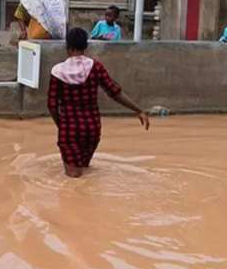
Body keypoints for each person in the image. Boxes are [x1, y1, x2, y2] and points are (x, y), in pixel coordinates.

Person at [48, 27, 150, 178]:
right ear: (86, 46)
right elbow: (115, 92)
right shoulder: (95, 67)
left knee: (74, 178)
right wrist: (139, 110)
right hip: (92, 129)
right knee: (85, 169)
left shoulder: (58, 72)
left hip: (70, 129)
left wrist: (61, 125)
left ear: (67, 47)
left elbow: (52, 105)